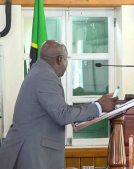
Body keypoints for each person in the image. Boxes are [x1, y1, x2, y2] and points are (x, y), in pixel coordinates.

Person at [0, 40, 118, 169]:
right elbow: (62, 114)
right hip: (32, 154)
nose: (67, 64)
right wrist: (99, 107)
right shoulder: (45, 76)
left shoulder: (39, 71)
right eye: (67, 60)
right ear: (60, 59)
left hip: (31, 151)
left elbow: (59, 110)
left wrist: (96, 104)